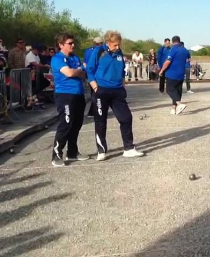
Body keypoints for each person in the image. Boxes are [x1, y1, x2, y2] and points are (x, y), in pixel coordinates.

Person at [86, 30, 144, 160]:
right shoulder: (98, 52)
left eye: (119, 45)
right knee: (101, 121)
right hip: (101, 90)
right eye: (115, 45)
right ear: (108, 42)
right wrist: (95, 87)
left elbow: (122, 71)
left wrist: (123, 86)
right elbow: (89, 70)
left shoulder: (119, 53)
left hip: (117, 91)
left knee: (126, 118)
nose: (117, 48)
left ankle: (128, 148)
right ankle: (101, 150)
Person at [50, 33, 88, 167]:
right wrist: (77, 70)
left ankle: (72, 152)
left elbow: (83, 74)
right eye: (69, 43)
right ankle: (57, 154)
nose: (73, 45)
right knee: (65, 124)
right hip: (65, 95)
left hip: (78, 94)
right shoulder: (57, 58)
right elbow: (69, 73)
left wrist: (77, 70)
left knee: (76, 124)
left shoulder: (75, 58)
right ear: (61, 45)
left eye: (73, 43)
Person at [158, 36, 188, 115]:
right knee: (177, 91)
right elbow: (188, 59)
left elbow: (167, 61)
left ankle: (179, 104)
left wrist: (162, 70)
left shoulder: (173, 49)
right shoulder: (185, 50)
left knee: (169, 89)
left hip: (172, 73)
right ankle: (174, 108)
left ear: (172, 41)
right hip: (181, 73)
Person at [83, 37, 103, 117]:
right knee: (97, 93)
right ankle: (95, 111)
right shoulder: (100, 51)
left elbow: (84, 63)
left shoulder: (88, 51)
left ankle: (94, 111)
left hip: (90, 74)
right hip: (97, 74)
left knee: (93, 93)